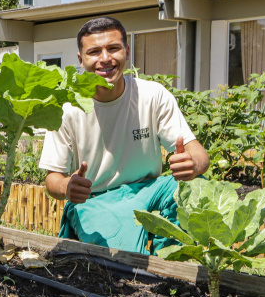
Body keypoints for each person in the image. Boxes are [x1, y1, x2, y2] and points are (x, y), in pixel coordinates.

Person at [39, 16, 209, 255]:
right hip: (97, 200)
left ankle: (171, 263)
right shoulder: (66, 107)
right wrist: (67, 185)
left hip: (149, 189)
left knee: (195, 187)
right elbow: (52, 179)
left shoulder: (153, 95)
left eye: (113, 48)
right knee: (125, 264)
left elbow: (199, 153)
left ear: (127, 52)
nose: (105, 58)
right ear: (81, 59)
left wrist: (193, 165)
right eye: (94, 52)